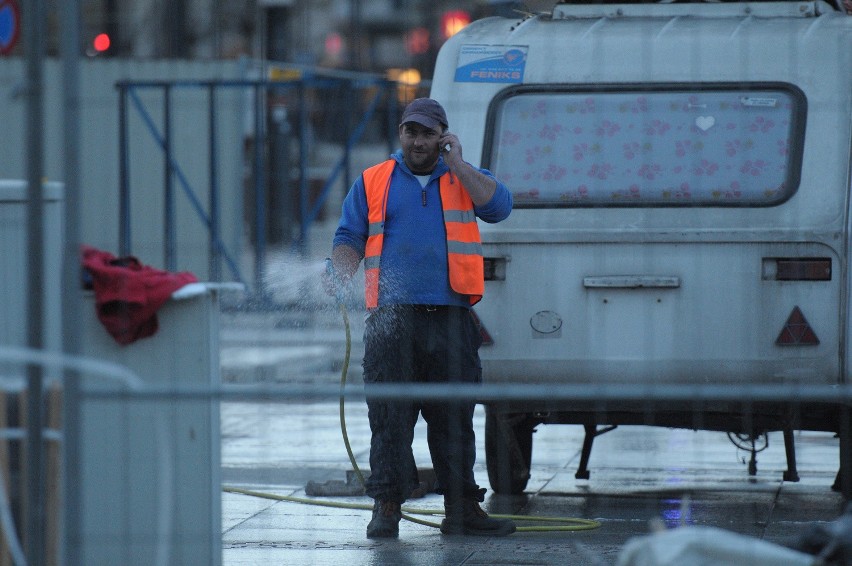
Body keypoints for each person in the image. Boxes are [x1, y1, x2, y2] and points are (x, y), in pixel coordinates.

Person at [325, 98, 516, 539]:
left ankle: (462, 509)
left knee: (454, 416)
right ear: (401, 134)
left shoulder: (463, 179)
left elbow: (500, 207)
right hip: (392, 319)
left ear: (443, 136)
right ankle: (387, 507)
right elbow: (348, 236)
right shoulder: (375, 181)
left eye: (428, 133)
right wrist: (340, 269)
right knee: (390, 416)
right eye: (411, 132)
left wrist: (460, 164)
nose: (418, 140)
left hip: (451, 317)